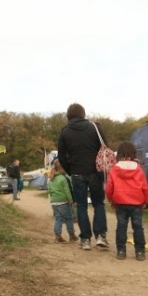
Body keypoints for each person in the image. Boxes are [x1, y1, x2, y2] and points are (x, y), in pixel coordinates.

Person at [57, 103, 109, 250]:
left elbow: (61, 156)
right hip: (95, 172)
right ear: (83, 113)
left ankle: (85, 239)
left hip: (77, 173)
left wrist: (70, 170)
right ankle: (100, 236)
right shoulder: (95, 127)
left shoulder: (65, 132)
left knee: (81, 206)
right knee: (98, 203)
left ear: (69, 115)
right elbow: (105, 147)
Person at [105, 141, 148, 260]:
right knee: (138, 227)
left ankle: (121, 251)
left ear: (118, 154)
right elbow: (145, 188)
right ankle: (140, 252)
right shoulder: (139, 169)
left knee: (121, 226)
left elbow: (109, 187)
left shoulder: (114, 169)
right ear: (134, 153)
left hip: (120, 202)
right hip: (137, 202)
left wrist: (111, 199)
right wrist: (145, 201)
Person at [47, 160, 77, 243]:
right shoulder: (63, 178)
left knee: (58, 218)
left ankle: (58, 236)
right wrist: (71, 201)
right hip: (63, 202)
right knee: (69, 218)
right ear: (62, 168)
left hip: (54, 202)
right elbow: (67, 191)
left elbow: (49, 191)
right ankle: (72, 235)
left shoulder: (51, 178)